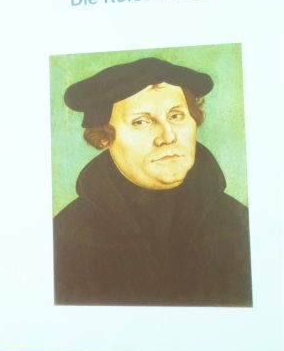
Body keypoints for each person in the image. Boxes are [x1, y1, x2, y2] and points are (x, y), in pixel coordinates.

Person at [53, 57, 251, 306]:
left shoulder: (236, 222)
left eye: (176, 116)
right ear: (104, 137)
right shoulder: (69, 235)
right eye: (141, 122)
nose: (167, 136)